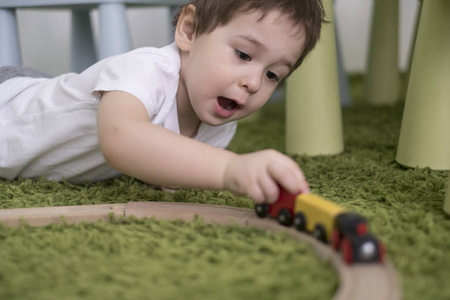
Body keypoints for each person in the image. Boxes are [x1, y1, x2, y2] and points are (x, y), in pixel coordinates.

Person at [0, 0, 326, 204]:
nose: (253, 83)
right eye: (243, 54)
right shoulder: (144, 71)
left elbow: (158, 168)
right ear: (189, 30)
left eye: (273, 75)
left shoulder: (217, 125)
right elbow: (121, 140)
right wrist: (230, 169)